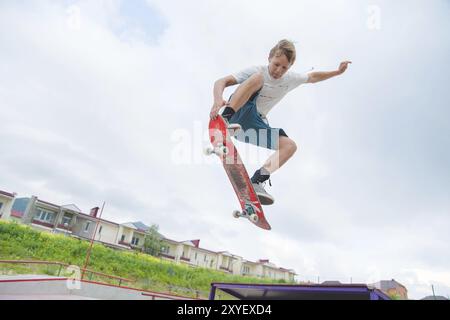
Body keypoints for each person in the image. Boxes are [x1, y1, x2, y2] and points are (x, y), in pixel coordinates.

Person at [210, 39, 351, 205]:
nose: (278, 70)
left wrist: (337, 72)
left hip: (251, 126)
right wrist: (218, 100)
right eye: (276, 64)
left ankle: (257, 181)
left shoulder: (290, 78)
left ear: (290, 67)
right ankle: (225, 120)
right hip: (236, 112)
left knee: (290, 146)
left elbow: (313, 77)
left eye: (284, 67)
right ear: (269, 58)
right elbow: (221, 81)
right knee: (257, 78)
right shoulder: (257, 70)